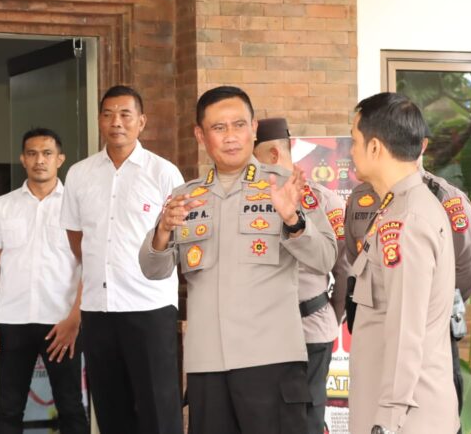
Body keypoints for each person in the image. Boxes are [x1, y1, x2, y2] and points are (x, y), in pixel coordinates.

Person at [139, 86, 337, 434]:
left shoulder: (285, 186)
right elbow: (152, 270)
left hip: (271, 360)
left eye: (239, 125)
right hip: (207, 366)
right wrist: (162, 232)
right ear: (200, 135)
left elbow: (325, 258)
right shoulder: (185, 197)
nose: (230, 136)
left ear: (254, 128)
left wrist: (293, 220)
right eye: (219, 128)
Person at [60, 85, 185, 434]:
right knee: (111, 411)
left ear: (141, 121)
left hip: (150, 308)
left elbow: (177, 239)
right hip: (98, 309)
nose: (116, 122)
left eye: (125, 114)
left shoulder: (163, 173)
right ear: (100, 120)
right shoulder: (79, 174)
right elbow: (76, 238)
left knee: (158, 411)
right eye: (108, 114)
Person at [342, 135, 471, 431]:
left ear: (422, 145)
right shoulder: (359, 198)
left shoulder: (442, 197)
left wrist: (430, 305)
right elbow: (355, 259)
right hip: (377, 333)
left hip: (427, 335)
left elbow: (468, 270)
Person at [0, 127, 88, 434]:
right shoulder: (2, 207)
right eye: (32, 154)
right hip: (12, 322)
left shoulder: (78, 207)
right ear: (23, 159)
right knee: (8, 411)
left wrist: (75, 318)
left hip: (62, 324)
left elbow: (91, 265)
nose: (40, 160)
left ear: (60, 159)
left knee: (71, 408)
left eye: (47, 153)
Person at [253, 117, 347, 434]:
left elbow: (343, 269)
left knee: (307, 420)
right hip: (264, 334)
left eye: (254, 159)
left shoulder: (323, 201)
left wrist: (329, 314)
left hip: (311, 331)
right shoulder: (252, 203)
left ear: (272, 155)